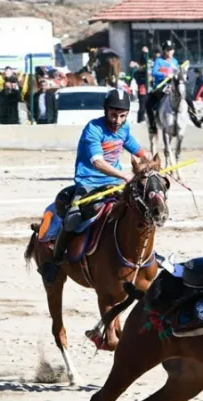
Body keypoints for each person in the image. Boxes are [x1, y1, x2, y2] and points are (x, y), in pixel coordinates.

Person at [38, 89, 152, 286]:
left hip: (115, 184)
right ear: (106, 110)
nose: (117, 120)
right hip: (88, 183)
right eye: (114, 114)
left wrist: (150, 164)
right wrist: (123, 175)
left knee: (140, 209)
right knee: (73, 218)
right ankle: (55, 261)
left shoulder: (124, 129)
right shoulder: (93, 129)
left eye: (122, 115)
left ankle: (142, 256)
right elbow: (97, 162)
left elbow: (141, 152)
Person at [145, 40, 203, 133]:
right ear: (164, 51)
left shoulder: (175, 61)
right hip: (161, 86)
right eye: (168, 50)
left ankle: (195, 116)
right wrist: (165, 75)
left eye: (171, 50)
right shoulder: (158, 61)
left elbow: (178, 73)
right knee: (148, 104)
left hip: (173, 85)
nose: (170, 52)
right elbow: (154, 72)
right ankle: (153, 126)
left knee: (187, 96)